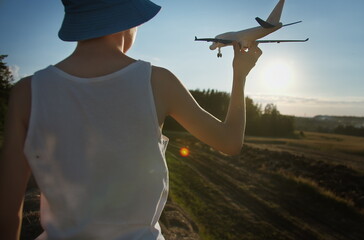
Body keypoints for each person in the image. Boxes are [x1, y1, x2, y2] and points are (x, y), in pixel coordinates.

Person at [0, 0, 262, 239]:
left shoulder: (27, 92)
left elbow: (7, 213)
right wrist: (240, 75)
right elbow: (230, 142)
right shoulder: (158, 81)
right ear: (129, 20)